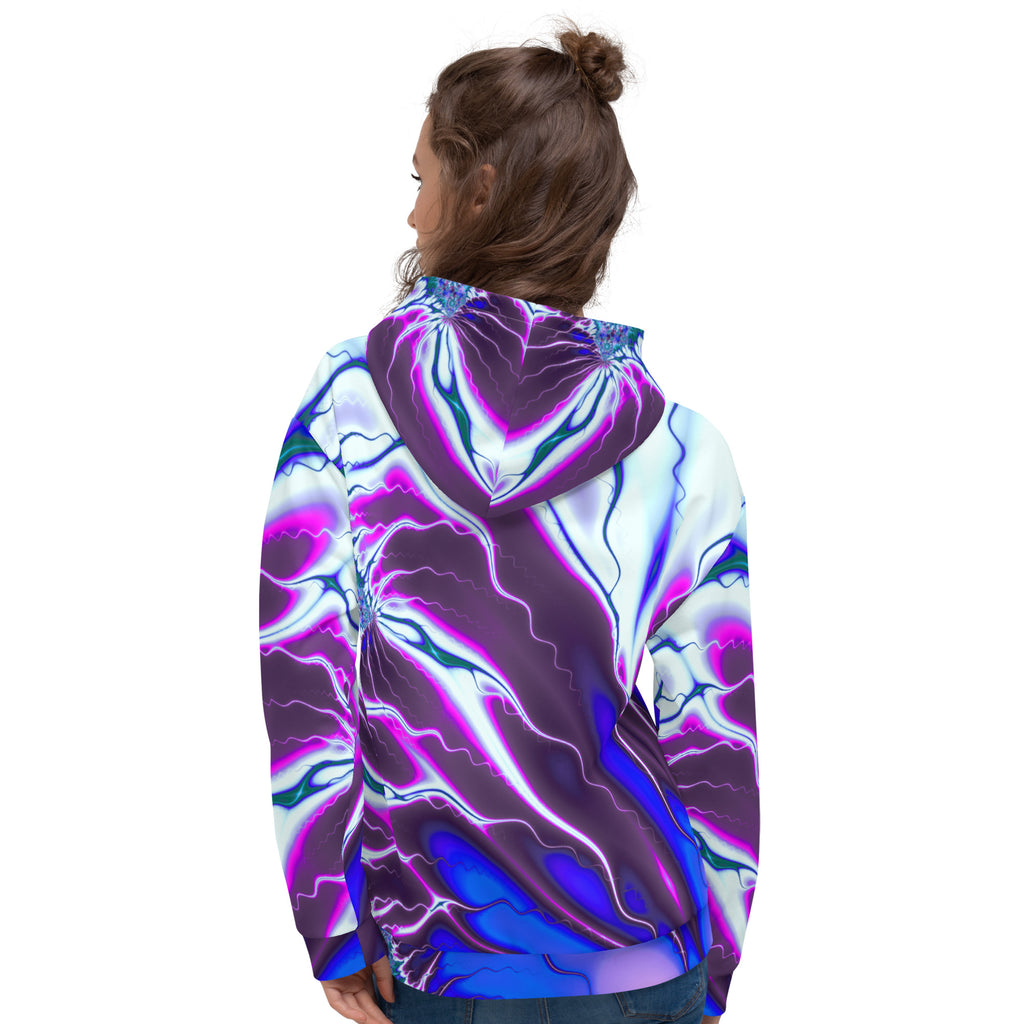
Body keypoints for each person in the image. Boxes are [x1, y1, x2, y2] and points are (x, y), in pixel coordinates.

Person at [259, 17, 759, 1024]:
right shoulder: (685, 452)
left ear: (478, 190)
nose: (412, 216)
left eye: (421, 180)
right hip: (645, 956)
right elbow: (715, 731)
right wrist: (712, 966)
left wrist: (336, 922)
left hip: (450, 957)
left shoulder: (351, 403)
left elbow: (305, 674)